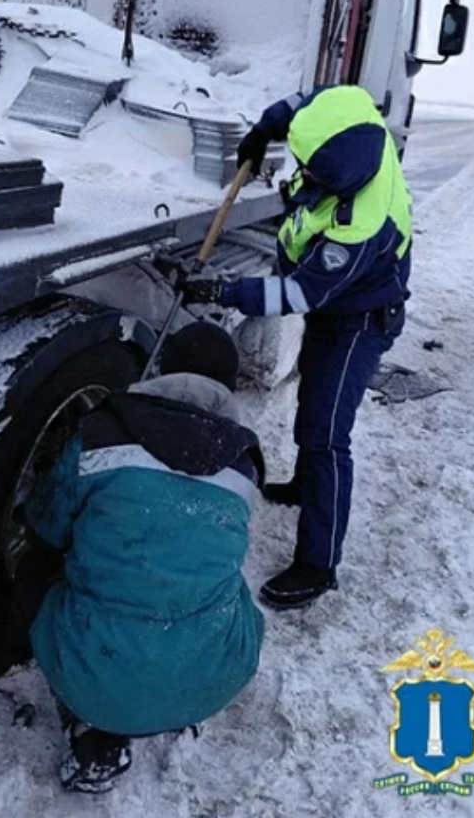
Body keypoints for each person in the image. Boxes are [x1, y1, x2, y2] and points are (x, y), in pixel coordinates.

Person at [174, 84, 412, 610]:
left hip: (360, 318)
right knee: (312, 402)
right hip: (337, 309)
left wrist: (222, 289)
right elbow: (304, 103)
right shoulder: (347, 110)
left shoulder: (358, 226)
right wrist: (264, 129)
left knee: (326, 434)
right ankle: (305, 487)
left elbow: (298, 293)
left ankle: (318, 565)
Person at [20, 322, 267, 794]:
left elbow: (46, 525)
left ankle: (90, 723)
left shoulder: (102, 432)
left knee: (37, 567)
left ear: (164, 370)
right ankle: (174, 688)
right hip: (216, 680)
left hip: (100, 683)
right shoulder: (243, 461)